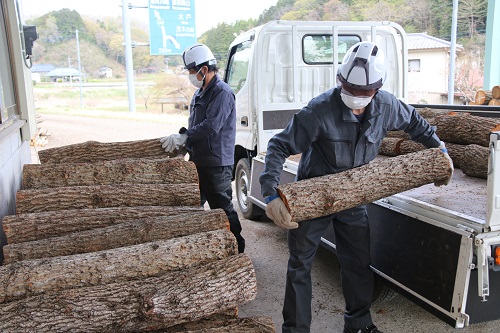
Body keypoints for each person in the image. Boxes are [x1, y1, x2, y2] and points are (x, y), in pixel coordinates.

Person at [259, 41, 453, 333]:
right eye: (350, 90)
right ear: (340, 81)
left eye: (364, 93)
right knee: (300, 265)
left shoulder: (387, 106)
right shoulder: (319, 110)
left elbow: (415, 123)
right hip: (314, 195)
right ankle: (296, 329)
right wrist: (271, 193)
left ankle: (358, 324)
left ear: (377, 88)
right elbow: (279, 146)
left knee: (358, 263)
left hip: (354, 196)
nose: (356, 97)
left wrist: (440, 151)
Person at [160, 43, 245, 253]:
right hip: (198, 160)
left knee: (222, 208)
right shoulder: (200, 93)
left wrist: (185, 137)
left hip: (216, 163)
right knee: (191, 204)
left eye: (191, 71)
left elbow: (211, 126)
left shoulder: (222, 92)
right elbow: (195, 125)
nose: (190, 76)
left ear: (204, 69)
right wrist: (184, 142)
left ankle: (238, 247)